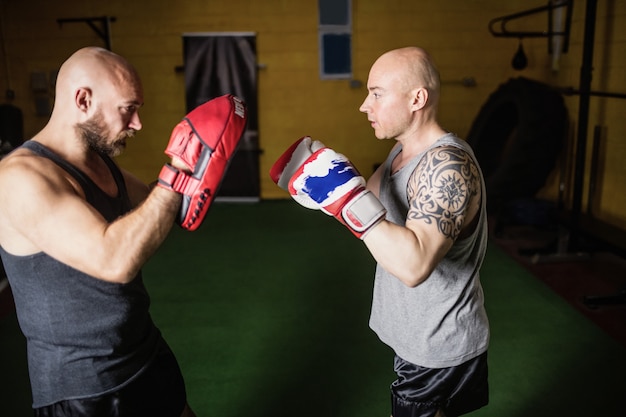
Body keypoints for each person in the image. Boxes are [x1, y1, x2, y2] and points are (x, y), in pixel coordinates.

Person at [0, 46, 245, 417]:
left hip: (144, 353)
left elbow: (157, 208)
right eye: (128, 108)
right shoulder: (20, 178)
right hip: (84, 387)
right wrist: (179, 172)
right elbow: (114, 259)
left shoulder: (98, 163)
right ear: (82, 100)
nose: (137, 123)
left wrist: (203, 169)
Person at [271, 46, 489, 417]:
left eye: (376, 93)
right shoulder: (401, 153)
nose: (364, 105)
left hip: (436, 348)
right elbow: (366, 214)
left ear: (417, 98)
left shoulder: (447, 166)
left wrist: (342, 196)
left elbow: (413, 265)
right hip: (418, 337)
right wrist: (322, 186)